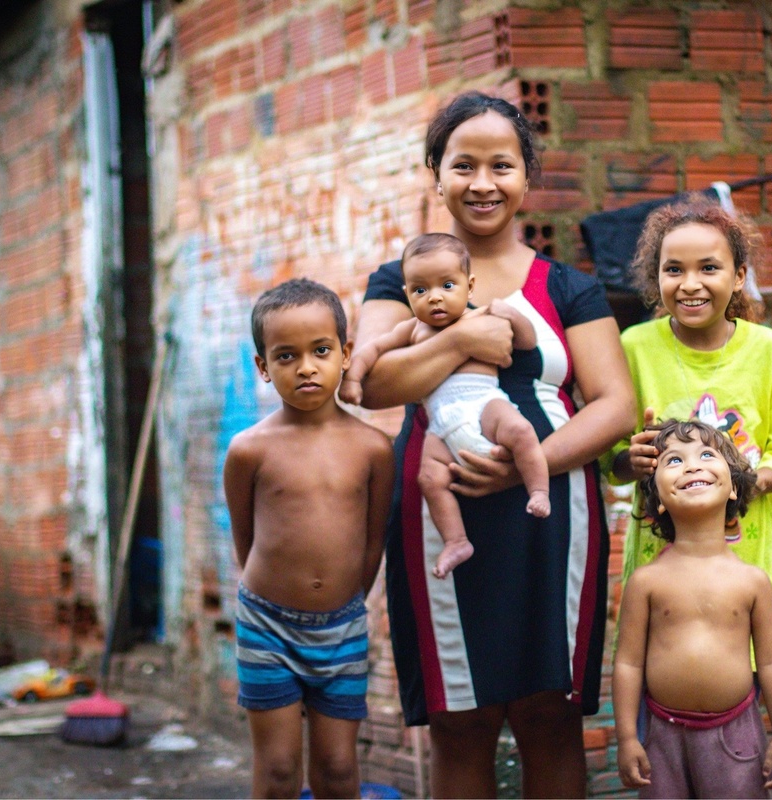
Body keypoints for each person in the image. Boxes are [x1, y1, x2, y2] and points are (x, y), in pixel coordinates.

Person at [346, 91, 635, 797]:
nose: (482, 183)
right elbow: (375, 384)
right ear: (434, 174)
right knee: (460, 719)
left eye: (501, 165)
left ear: (527, 177)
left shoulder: (569, 288)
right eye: (462, 165)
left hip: (550, 513)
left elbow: (617, 405)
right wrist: (464, 338)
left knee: (550, 715)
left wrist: (523, 470)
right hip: (437, 516)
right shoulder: (400, 282)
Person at [223, 278, 394, 799]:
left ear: (344, 353)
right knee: (277, 770)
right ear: (263, 367)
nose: (305, 367)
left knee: (340, 770)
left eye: (320, 351)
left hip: (341, 629)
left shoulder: (373, 448)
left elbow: (371, 544)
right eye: (285, 356)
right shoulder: (249, 450)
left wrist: (342, 603)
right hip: (267, 626)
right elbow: (245, 539)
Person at [607, 195, 772, 619]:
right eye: (674, 269)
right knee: (658, 664)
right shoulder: (634, 348)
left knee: (742, 666)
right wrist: (634, 459)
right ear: (656, 276)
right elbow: (613, 462)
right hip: (660, 560)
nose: (690, 283)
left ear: (739, 277)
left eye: (708, 268)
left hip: (745, 556)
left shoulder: (766, 350)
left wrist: (727, 488)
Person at [342, 233, 550, 579]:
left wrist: (512, 315)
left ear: (469, 287)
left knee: (519, 430)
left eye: (447, 286)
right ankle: (456, 541)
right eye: (421, 290)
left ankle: (538, 489)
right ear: (407, 294)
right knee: (429, 477)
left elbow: (528, 343)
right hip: (440, 422)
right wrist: (351, 379)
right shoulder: (411, 330)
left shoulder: (481, 315)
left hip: (485, 402)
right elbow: (370, 351)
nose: (434, 297)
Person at [614, 419, 772, 798]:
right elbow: (628, 664)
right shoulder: (646, 582)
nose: (692, 465)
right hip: (661, 737)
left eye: (707, 455)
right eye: (674, 460)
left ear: (733, 487)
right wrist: (628, 738)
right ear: (657, 499)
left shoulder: (752, 581)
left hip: (737, 736)